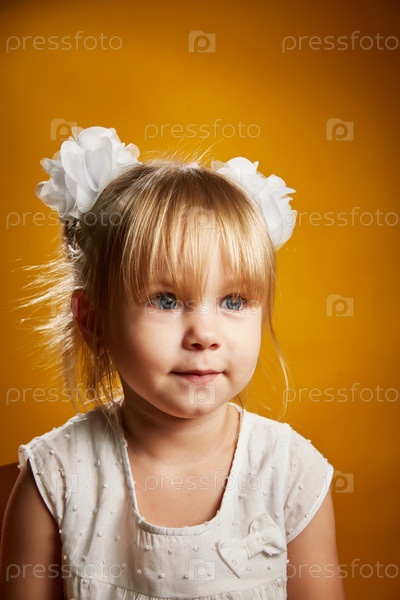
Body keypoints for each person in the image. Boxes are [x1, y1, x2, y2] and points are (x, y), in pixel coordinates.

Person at [0, 126, 345, 599]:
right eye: (165, 300)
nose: (204, 334)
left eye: (233, 301)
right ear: (94, 322)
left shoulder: (290, 474)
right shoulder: (55, 477)